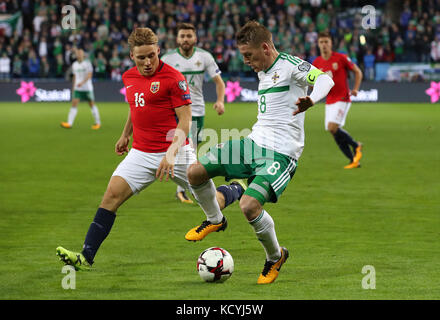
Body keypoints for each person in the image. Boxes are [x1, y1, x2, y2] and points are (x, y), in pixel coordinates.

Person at [56, 28, 245, 270]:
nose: (147, 62)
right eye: (141, 57)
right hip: (140, 153)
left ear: (158, 51)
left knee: (214, 206)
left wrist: (170, 153)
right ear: (131, 56)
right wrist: (125, 134)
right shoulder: (129, 77)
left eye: (151, 56)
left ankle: (234, 190)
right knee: (111, 196)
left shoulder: (174, 78)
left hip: (177, 153)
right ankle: (85, 256)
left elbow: (186, 120)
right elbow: (135, 107)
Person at [185, 21, 334, 284]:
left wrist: (312, 99)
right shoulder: (264, 69)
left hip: (281, 153)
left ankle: (275, 257)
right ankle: (215, 219)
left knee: (249, 206)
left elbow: (325, 79)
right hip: (252, 143)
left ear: (265, 48)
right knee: (195, 172)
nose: (246, 62)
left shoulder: (290, 65)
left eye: (249, 56)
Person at [161, 22, 227, 204]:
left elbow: (220, 83)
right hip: (175, 111)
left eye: (189, 36)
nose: (185, 39)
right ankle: (185, 189)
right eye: (182, 36)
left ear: (195, 38)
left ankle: (184, 188)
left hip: (197, 110)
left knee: (192, 150)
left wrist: (220, 100)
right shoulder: (167, 59)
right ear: (177, 38)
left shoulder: (204, 57)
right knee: (186, 149)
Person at [313, 31, 363, 169]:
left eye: (326, 42)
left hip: (342, 98)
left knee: (332, 127)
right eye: (321, 42)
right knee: (333, 131)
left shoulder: (341, 58)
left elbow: (358, 72)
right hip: (329, 100)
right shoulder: (317, 62)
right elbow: (313, 82)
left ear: (331, 43)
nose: (324, 45)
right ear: (318, 44)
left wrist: (356, 89)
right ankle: (353, 160)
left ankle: (356, 145)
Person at [60, 48, 101, 130]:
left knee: (91, 104)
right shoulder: (74, 64)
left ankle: (98, 123)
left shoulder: (87, 64)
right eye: (78, 53)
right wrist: (73, 87)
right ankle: (69, 123)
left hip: (87, 88)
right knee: (74, 104)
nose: (79, 54)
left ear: (83, 55)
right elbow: (75, 76)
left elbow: (89, 75)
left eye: (80, 53)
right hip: (77, 88)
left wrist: (82, 83)